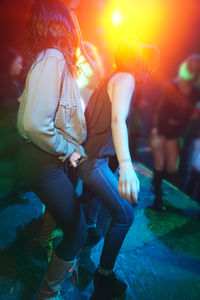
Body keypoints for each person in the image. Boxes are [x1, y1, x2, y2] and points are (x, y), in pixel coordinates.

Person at [76, 38, 159, 300]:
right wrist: (126, 167)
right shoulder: (126, 78)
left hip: (90, 157)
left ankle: (87, 233)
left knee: (107, 204)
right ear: (137, 58)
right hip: (94, 160)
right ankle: (103, 276)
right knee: (125, 216)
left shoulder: (113, 77)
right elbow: (117, 120)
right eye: (148, 58)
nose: (151, 66)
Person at [17, 0, 87, 299]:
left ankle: (44, 255)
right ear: (62, 21)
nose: (76, 17)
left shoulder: (46, 58)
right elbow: (33, 124)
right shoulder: (53, 58)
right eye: (71, 13)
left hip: (40, 159)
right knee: (78, 231)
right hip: (43, 160)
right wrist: (68, 148)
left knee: (69, 223)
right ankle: (46, 295)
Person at [149, 55, 200, 212]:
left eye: (196, 69)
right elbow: (158, 109)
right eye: (190, 67)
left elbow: (193, 113)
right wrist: (155, 129)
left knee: (171, 168)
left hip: (175, 132)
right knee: (160, 163)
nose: (192, 71)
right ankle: (158, 199)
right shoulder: (171, 86)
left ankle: (156, 183)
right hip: (160, 128)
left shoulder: (195, 92)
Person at [0, 47, 26, 202]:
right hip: (6, 130)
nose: (20, 66)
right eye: (18, 63)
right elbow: (6, 105)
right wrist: (21, 100)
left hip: (13, 129)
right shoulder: (3, 83)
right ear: (9, 63)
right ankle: (15, 192)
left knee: (18, 160)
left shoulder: (14, 81)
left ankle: (15, 192)